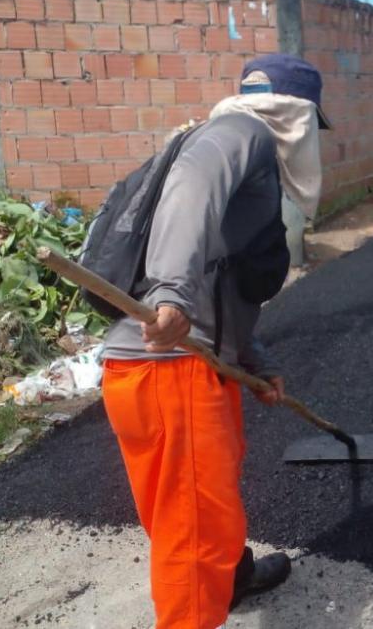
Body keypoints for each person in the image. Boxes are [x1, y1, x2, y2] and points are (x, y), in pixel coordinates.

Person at [100, 54, 328, 629]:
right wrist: (171, 293)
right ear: (296, 115)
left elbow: (224, 280)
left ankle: (232, 579)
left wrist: (253, 358)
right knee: (193, 532)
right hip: (172, 369)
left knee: (193, 509)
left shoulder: (227, 140)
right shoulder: (241, 133)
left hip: (154, 370)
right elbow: (192, 186)